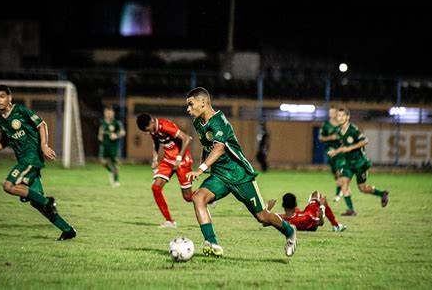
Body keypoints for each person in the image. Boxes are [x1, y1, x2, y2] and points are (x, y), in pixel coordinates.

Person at [185, 87, 297, 257]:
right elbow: (207, 147)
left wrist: (200, 169)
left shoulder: (219, 122)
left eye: (190, 104)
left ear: (203, 102)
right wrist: (205, 169)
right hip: (220, 176)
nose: (188, 109)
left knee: (262, 217)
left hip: (239, 175)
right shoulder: (198, 123)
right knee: (198, 198)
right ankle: (212, 243)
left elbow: (219, 149)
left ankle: (289, 231)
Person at [0, 85, 76, 241]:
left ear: (10, 97)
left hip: (31, 158)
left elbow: (41, 124)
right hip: (24, 160)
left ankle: (48, 201)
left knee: (8, 186)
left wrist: (44, 145)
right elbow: (4, 142)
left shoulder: (21, 111)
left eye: (2, 96)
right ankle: (67, 229)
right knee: (37, 204)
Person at [328, 108, 389, 216]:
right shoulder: (339, 131)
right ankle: (351, 210)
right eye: (338, 116)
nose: (340, 118)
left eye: (342, 115)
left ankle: (382, 194)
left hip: (360, 163)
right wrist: (336, 151)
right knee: (344, 183)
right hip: (348, 163)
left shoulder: (353, 130)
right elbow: (344, 146)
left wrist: (351, 148)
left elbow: (365, 141)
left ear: (347, 117)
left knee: (363, 188)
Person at [136, 113, 193, 228]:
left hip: (182, 161)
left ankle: (209, 197)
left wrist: (178, 158)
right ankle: (170, 221)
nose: (148, 132)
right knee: (156, 187)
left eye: (148, 129)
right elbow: (156, 142)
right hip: (167, 161)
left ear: (152, 122)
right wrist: (155, 159)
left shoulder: (165, 126)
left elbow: (187, 138)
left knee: (188, 197)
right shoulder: (152, 130)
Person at [266, 191, 346, 232]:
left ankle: (336, 225)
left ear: (283, 206)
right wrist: (321, 207)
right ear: (296, 204)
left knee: (316, 196)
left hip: (298, 214)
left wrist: (268, 209)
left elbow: (265, 221)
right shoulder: (307, 217)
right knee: (318, 195)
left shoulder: (280, 218)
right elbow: (320, 223)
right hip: (310, 214)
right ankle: (336, 225)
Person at [319, 106, 345, 202]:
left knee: (339, 172)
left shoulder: (341, 125)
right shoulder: (326, 125)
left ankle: (338, 194)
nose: (332, 114)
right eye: (330, 112)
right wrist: (331, 137)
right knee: (335, 174)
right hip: (329, 151)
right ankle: (341, 188)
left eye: (334, 112)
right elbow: (321, 138)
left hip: (340, 152)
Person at [98, 105, 126, 187]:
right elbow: (101, 131)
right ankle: (111, 171)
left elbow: (123, 132)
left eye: (110, 113)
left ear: (113, 113)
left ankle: (116, 180)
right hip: (104, 146)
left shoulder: (117, 123)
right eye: (107, 112)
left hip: (113, 146)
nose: (108, 114)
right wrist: (100, 136)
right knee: (103, 162)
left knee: (115, 163)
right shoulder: (102, 122)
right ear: (104, 113)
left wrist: (116, 135)